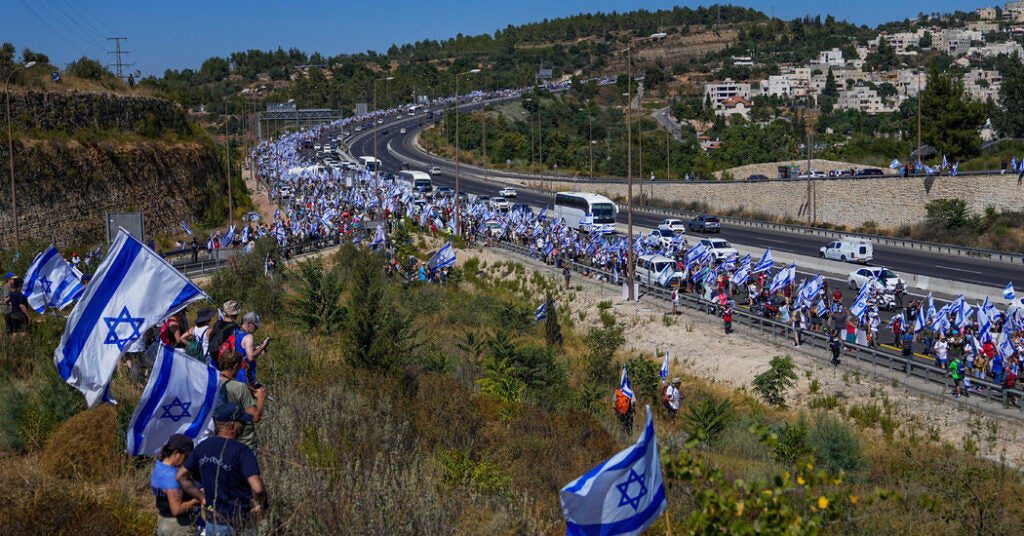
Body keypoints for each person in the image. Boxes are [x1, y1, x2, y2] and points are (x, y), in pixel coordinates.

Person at [177, 404, 268, 535]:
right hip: (240, 523)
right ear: (231, 426)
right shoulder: (242, 451)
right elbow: (257, 488)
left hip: (212, 522)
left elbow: (181, 476)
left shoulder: (203, 446)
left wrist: (202, 498)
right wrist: (263, 505)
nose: (244, 426)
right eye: (241, 422)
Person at [216, 349, 266, 452]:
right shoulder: (240, 387)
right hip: (243, 441)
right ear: (236, 366)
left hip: (219, 436)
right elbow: (255, 417)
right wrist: (261, 398)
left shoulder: (213, 381)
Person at [152, 434, 200, 536]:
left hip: (162, 521)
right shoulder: (172, 477)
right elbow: (176, 510)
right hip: (178, 527)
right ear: (176, 453)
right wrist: (197, 499)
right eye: (186, 456)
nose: (187, 460)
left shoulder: (159, 467)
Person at [231, 312, 270, 385]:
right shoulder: (248, 337)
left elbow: (241, 349)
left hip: (232, 372)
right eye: (255, 326)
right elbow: (250, 357)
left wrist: (256, 349)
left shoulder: (235, 332)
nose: (256, 329)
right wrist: (263, 346)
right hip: (244, 375)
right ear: (249, 323)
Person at [208, 301, 241, 366]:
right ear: (235, 314)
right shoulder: (235, 327)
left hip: (212, 355)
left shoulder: (217, 323)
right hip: (224, 359)